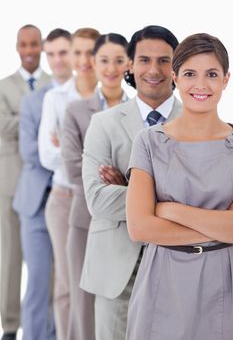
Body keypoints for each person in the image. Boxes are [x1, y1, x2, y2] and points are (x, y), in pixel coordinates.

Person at [126, 32, 233, 340]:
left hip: (223, 280)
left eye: (211, 74)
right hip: (163, 280)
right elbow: (140, 227)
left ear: (226, 79)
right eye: (189, 74)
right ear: (174, 78)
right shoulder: (149, 142)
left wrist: (170, 210)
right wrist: (219, 227)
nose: (201, 85)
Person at [81, 25, 181, 340]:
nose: (154, 70)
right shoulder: (103, 124)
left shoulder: (197, 123)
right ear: (130, 66)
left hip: (177, 265)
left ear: (176, 67)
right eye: (144, 60)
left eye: (164, 61)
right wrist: (169, 199)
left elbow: (205, 199)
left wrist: (129, 188)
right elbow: (97, 201)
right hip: (116, 271)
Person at [62, 32, 129, 340]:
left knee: (121, 306)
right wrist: (106, 177)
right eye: (104, 60)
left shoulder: (142, 112)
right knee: (84, 305)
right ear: (93, 62)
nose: (111, 67)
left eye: (119, 60)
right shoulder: (76, 111)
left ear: (128, 63)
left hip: (129, 226)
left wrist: (124, 180)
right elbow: (75, 169)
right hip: (85, 221)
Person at [38, 27, 100, 340]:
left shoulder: (111, 97)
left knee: (100, 283)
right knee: (66, 283)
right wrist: (91, 156)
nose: (83, 59)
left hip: (103, 202)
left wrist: (70, 144)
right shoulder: (55, 98)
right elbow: (47, 156)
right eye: (77, 52)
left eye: (91, 52)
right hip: (64, 199)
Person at [13, 28, 73, 340]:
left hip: (71, 198)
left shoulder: (84, 93)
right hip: (36, 200)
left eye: (63, 53)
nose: (57, 59)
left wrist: (61, 146)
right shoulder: (35, 101)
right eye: (52, 53)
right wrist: (69, 150)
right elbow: (30, 152)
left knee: (66, 281)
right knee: (37, 280)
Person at [0, 24, 50, 340]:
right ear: (17, 48)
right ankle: (9, 325)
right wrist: (38, 118)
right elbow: (3, 126)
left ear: (41, 47)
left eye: (35, 44)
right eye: (24, 45)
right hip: (10, 184)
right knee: (10, 258)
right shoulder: (3, 86)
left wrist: (25, 119)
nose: (29, 50)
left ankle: (46, 324)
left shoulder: (56, 83)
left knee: (49, 261)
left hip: (49, 185)